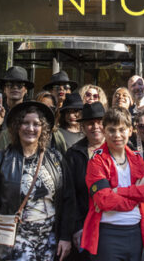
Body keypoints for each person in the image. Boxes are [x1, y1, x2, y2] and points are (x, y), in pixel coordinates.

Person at [0, 100, 73, 261]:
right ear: (17, 127)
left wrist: (65, 236)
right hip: (15, 240)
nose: (30, 128)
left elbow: (68, 199)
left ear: (43, 128)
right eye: (25, 123)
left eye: (36, 124)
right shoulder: (2, 158)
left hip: (48, 241)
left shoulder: (56, 158)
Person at [81, 107, 144, 261]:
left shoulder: (137, 159)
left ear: (130, 131)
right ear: (104, 131)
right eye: (111, 130)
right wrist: (136, 196)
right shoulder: (96, 161)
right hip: (108, 235)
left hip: (136, 233)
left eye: (122, 130)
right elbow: (104, 200)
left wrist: (119, 191)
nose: (117, 135)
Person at [64, 101, 106, 260]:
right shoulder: (73, 154)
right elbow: (69, 194)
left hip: (115, 226)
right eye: (90, 123)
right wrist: (76, 227)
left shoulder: (121, 149)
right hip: (85, 227)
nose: (95, 127)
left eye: (100, 122)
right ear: (83, 127)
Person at [0, 66, 33, 140]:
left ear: (26, 90)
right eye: (10, 85)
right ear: (4, 89)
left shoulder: (32, 112)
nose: (15, 88)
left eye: (19, 85)